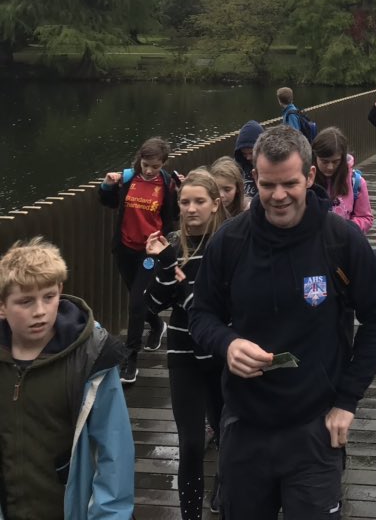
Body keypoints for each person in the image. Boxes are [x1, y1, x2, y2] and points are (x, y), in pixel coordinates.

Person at [188, 126, 376, 520]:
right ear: (255, 178)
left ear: (310, 176)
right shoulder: (230, 241)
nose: (278, 195)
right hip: (245, 428)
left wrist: (347, 401)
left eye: (289, 184)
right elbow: (201, 315)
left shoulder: (340, 240)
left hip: (314, 429)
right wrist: (227, 344)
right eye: (267, 185)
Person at [0, 237, 134, 520]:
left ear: (60, 291)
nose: (40, 311)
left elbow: (114, 452)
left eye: (49, 297)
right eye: (25, 301)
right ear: (2, 306)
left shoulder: (91, 358)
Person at [146, 169, 225, 520]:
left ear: (215, 204)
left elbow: (219, 304)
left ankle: (225, 493)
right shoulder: (172, 245)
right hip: (184, 353)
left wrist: (185, 290)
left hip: (222, 353)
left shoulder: (227, 244)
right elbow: (153, 303)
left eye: (199, 202)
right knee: (191, 444)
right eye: (185, 202)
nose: (191, 209)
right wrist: (166, 266)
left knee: (228, 436)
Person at [98, 135, 180, 383]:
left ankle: (130, 358)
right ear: (139, 160)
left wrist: (182, 190)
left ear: (163, 164)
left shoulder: (167, 184)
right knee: (137, 299)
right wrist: (106, 185)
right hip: (125, 248)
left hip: (150, 251)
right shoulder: (128, 178)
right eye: (146, 165)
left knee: (137, 301)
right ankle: (156, 325)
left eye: (155, 166)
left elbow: (174, 215)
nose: (149, 170)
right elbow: (109, 202)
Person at [311, 126, 374, 234]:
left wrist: (344, 228)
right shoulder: (303, 180)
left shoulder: (356, 183)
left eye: (335, 162)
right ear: (315, 157)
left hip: (343, 240)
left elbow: (366, 218)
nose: (330, 167)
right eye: (325, 162)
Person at [234, 120, 264, 200]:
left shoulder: (270, 168)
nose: (248, 158)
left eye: (251, 153)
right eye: (244, 154)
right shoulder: (238, 168)